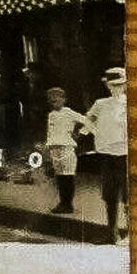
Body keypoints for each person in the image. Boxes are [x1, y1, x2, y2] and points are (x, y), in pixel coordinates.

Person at [81, 67, 129, 244]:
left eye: (120, 84)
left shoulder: (129, 103)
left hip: (125, 154)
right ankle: (112, 233)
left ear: (125, 85)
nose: (116, 88)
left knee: (127, 194)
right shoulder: (101, 104)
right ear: (107, 85)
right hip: (106, 155)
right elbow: (87, 121)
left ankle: (131, 234)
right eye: (112, 85)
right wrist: (91, 132)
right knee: (109, 194)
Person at [43, 86, 87, 214]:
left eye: (57, 97)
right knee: (59, 178)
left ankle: (68, 204)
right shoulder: (51, 115)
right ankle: (62, 203)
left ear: (64, 99)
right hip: (54, 149)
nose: (53, 99)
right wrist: (47, 148)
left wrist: (80, 133)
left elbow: (87, 121)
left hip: (66, 148)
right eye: (51, 98)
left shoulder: (68, 112)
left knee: (67, 177)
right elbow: (50, 133)